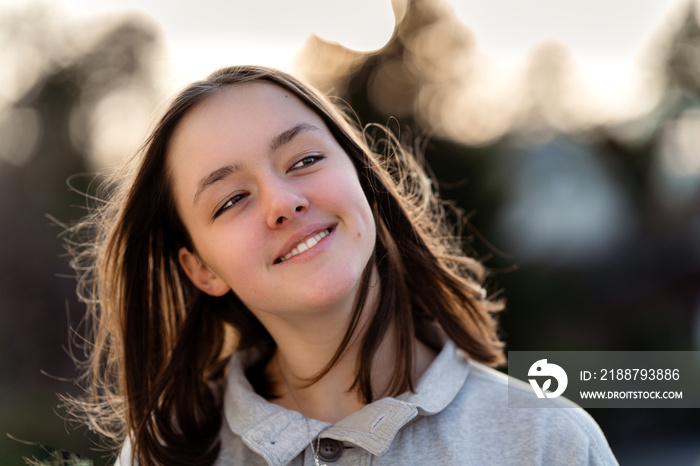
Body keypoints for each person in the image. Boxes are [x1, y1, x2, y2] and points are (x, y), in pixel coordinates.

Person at [67, 65, 618, 465]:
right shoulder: (160, 455)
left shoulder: (550, 441)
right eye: (231, 200)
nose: (283, 202)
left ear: (363, 182)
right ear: (202, 270)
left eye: (305, 160)